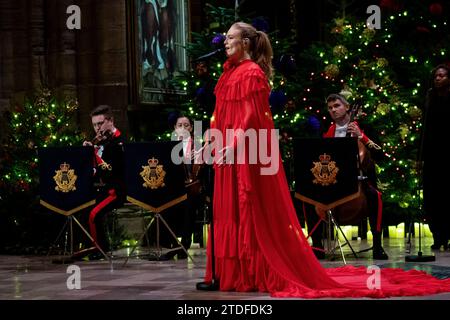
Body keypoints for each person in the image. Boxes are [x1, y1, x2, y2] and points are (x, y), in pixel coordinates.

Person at [198, 21, 450, 297]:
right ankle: (227, 272)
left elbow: (248, 116)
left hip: (244, 152)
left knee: (247, 209)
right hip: (228, 152)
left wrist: (234, 144)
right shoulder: (226, 75)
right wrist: (209, 143)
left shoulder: (251, 73)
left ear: (245, 42)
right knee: (226, 209)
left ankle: (250, 271)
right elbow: (219, 119)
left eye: (230, 37)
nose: (225, 42)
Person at [304, 93, 388, 260]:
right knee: (307, 197)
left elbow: (380, 154)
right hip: (333, 182)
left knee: (375, 196)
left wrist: (361, 136)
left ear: (347, 107)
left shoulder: (365, 127)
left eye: (337, 106)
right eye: (330, 108)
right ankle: (318, 246)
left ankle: (377, 246)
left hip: (360, 183)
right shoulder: (328, 132)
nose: (333, 110)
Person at [75, 105, 126, 260]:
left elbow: (110, 168)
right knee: (81, 208)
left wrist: (94, 154)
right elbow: (93, 170)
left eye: (100, 123)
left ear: (110, 121)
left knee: (93, 214)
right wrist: (86, 153)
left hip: (116, 190)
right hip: (101, 189)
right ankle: (90, 246)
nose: (97, 128)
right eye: (94, 125)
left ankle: (100, 249)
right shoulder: (101, 141)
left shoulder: (119, 141)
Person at [421, 64, 450, 250]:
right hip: (432, 155)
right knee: (432, 196)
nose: (437, 79)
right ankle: (438, 236)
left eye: (441, 75)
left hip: (448, 155)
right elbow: (425, 129)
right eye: (436, 76)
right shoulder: (430, 98)